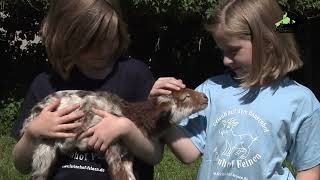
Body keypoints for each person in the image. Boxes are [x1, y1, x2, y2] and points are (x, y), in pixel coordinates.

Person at [79, 0, 320, 179]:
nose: (225, 60)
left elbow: (309, 169)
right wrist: (162, 109)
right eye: (221, 50)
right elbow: (188, 153)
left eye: (233, 50)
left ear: (269, 42)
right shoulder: (213, 90)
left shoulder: (301, 101)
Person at [11, 0, 159, 179]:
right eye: (91, 43)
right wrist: (33, 134)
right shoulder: (45, 84)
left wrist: (126, 129)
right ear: (65, 38)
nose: (103, 50)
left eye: (110, 38)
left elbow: (155, 154)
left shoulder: (136, 76)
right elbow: (21, 165)